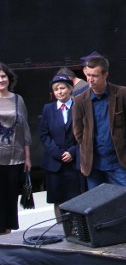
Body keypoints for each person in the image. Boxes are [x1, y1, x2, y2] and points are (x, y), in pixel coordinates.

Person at [72, 55, 126, 189]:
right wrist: (86, 144)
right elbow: (78, 132)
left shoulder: (122, 94)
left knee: (125, 202)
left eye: (94, 76)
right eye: (88, 75)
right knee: (97, 206)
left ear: (105, 74)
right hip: (93, 164)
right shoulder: (80, 101)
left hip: (117, 161)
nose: (90, 79)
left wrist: (122, 142)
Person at [39, 74, 82, 220]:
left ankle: (77, 227)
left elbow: (85, 133)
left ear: (70, 89)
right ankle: (62, 227)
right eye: (56, 89)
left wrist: (72, 152)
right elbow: (44, 135)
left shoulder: (78, 106)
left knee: (76, 196)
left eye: (62, 88)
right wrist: (58, 153)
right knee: (58, 197)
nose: (59, 92)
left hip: (74, 161)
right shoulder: (48, 109)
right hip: (54, 162)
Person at [0, 63, 31, 235]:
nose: (1, 79)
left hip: (14, 158)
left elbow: (24, 130)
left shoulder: (18, 100)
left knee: (10, 198)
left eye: (3, 76)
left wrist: (27, 157)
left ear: (9, 78)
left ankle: (7, 235)